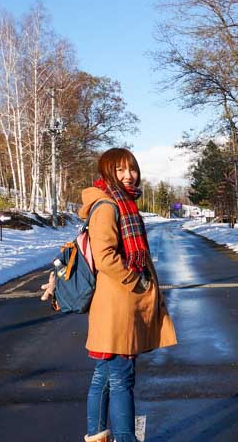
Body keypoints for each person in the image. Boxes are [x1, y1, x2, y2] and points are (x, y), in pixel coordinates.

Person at [79, 147, 177, 442]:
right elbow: (105, 255)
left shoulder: (123, 203)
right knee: (121, 377)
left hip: (119, 302)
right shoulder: (109, 205)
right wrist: (135, 279)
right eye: (120, 169)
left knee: (106, 376)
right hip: (116, 303)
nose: (128, 175)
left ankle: (97, 435)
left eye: (131, 168)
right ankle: (124, 437)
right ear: (108, 172)